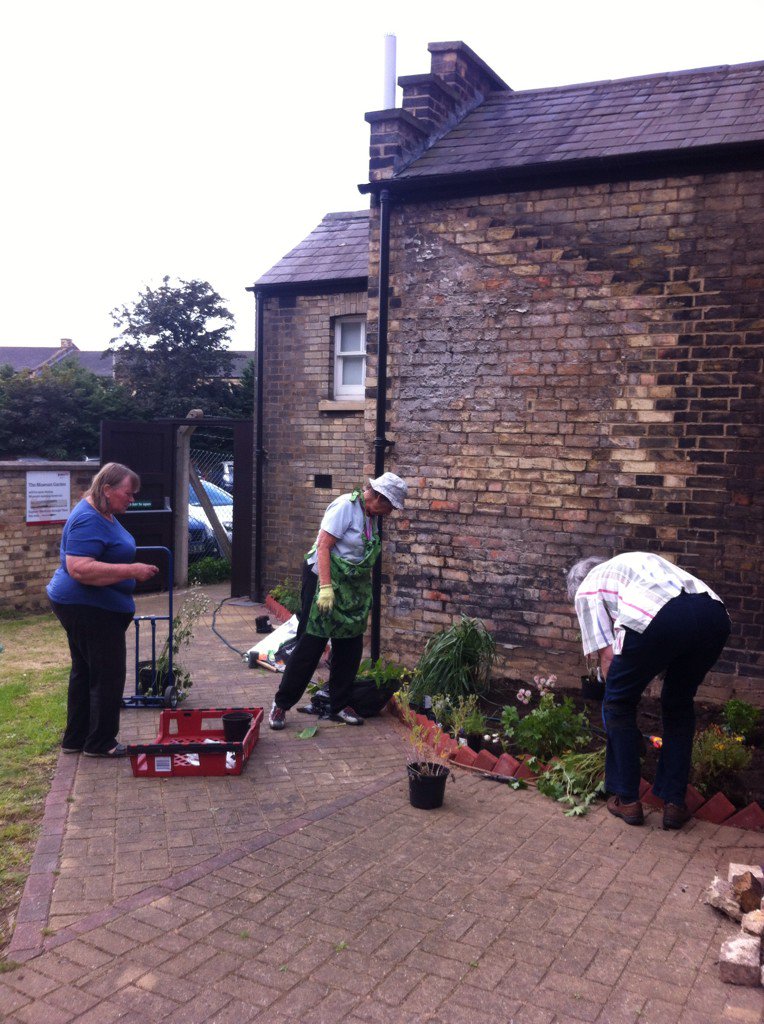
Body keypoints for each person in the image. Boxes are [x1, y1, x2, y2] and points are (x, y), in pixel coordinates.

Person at [567, 551, 730, 830]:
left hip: (660, 616)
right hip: (713, 615)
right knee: (678, 704)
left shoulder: (586, 588)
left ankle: (627, 799)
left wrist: (615, 693)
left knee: (618, 703)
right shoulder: (633, 565)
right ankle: (675, 803)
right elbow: (672, 624)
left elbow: (609, 658)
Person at [268, 472, 408, 730]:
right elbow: (323, 546)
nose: (390, 512)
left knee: (350, 644)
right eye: (389, 505)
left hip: (351, 586)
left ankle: (339, 704)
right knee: (312, 643)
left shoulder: (372, 517)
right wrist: (326, 588)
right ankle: (281, 704)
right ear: (378, 496)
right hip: (324, 579)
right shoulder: (345, 506)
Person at [47, 462, 160, 757]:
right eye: (128, 493)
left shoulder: (102, 513)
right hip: (88, 608)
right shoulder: (87, 519)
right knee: (107, 674)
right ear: (107, 489)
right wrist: (131, 570)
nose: (132, 499)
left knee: (85, 672)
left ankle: (76, 739)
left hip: (90, 607)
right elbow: (79, 568)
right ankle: (100, 743)